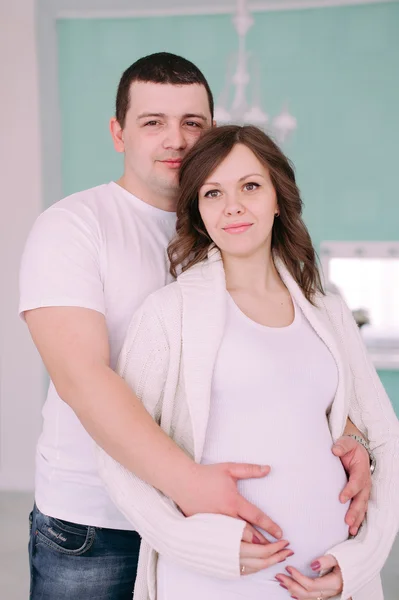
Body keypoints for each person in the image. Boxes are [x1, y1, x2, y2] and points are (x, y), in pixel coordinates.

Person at [20, 53, 372, 599]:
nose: (176, 140)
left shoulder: (227, 225)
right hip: (98, 524)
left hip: (217, 521)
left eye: (192, 124)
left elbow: (287, 360)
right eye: (152, 122)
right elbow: (82, 378)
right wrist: (189, 485)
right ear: (118, 133)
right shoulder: (74, 226)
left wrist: (348, 432)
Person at [97, 125, 399, 600]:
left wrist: (359, 565)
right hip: (212, 577)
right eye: (213, 192)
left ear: (279, 198)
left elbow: (383, 437)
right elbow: (119, 456)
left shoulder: (327, 309)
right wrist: (193, 543)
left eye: (250, 187)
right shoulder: (168, 314)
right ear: (198, 210)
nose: (232, 206)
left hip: (326, 577)